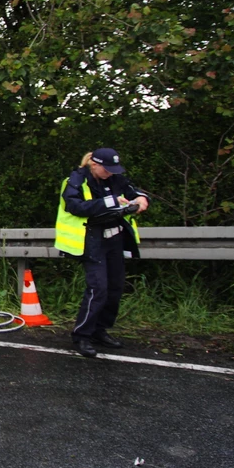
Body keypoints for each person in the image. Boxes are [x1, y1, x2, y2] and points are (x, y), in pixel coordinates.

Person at [54, 148, 150, 358]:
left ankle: (100, 330)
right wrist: (111, 202)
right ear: (94, 164)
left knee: (115, 288)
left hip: (114, 239)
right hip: (92, 239)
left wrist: (142, 199)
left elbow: (135, 191)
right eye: (107, 169)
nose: (110, 173)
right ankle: (82, 336)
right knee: (98, 289)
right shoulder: (76, 180)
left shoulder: (116, 178)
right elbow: (74, 206)